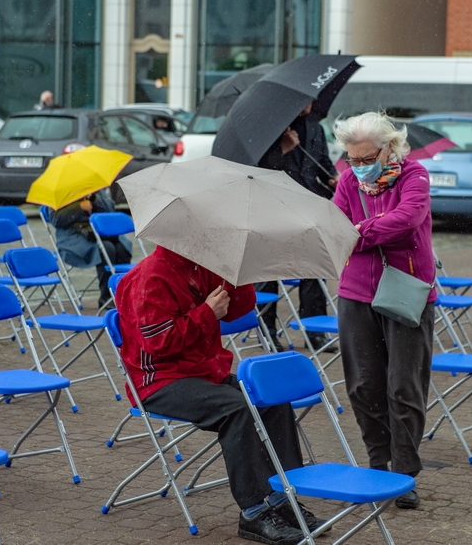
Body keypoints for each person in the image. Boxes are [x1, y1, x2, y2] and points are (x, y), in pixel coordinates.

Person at [115, 246, 325, 545]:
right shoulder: (150, 276)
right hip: (159, 381)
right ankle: (254, 511)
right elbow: (159, 343)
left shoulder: (199, 264)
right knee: (237, 409)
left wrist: (238, 273)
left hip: (203, 373)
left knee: (272, 397)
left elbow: (239, 310)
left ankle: (281, 496)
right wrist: (206, 313)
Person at [330, 111, 436, 510]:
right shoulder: (346, 181)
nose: (358, 168)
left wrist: (361, 232)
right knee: (362, 385)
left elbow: (407, 221)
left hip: (407, 290)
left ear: (388, 148)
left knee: (404, 386)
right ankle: (378, 464)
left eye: (366, 158)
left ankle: (403, 474)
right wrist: (368, 231)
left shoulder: (415, 176)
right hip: (355, 291)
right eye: (352, 159)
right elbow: (335, 228)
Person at [256, 101, 340, 352]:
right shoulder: (269, 129)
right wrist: (282, 149)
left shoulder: (315, 127)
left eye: (312, 98)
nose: (309, 103)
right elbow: (256, 169)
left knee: (314, 268)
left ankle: (314, 332)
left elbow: (322, 160)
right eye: (304, 100)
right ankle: (267, 332)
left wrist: (331, 177)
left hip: (309, 205)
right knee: (269, 273)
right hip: (275, 206)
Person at [48, 189, 131, 308]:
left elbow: (110, 209)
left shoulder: (94, 186)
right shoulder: (60, 189)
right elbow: (56, 220)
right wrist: (79, 207)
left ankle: (121, 293)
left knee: (122, 248)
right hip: (74, 237)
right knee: (106, 248)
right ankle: (107, 297)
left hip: (101, 233)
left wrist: (93, 198)